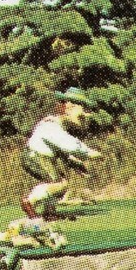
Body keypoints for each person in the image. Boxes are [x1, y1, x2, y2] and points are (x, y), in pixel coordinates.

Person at [21, 88, 102, 219]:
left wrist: (73, 162)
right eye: (82, 111)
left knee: (59, 184)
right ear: (70, 107)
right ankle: (29, 201)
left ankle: (49, 212)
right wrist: (92, 153)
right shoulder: (52, 126)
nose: (85, 116)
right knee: (59, 184)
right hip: (36, 157)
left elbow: (61, 150)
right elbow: (71, 146)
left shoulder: (55, 124)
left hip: (41, 157)